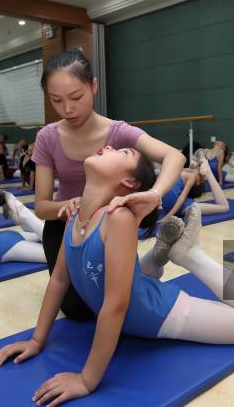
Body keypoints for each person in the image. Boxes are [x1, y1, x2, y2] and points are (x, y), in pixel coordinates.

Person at [0, 146, 234, 405]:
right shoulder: (76, 215)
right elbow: (58, 280)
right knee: (135, 278)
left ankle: (190, 256)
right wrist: (37, 340)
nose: (107, 146)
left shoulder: (118, 219)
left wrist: (87, 379)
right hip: (138, 299)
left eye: (123, 152)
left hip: (162, 313)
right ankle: (158, 257)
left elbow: (116, 306)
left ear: (129, 183)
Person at [32, 48, 186, 321]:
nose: (67, 109)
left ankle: (148, 265)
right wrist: (65, 206)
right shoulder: (47, 137)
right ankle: (148, 265)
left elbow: (175, 156)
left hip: (106, 229)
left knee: (116, 301)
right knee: (78, 312)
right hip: (65, 227)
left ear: (93, 86)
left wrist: (154, 194)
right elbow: (41, 206)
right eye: (56, 100)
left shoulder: (118, 132)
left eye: (76, 97)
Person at [161, 158, 229, 218]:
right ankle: (208, 171)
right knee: (224, 207)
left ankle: (209, 172)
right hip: (171, 206)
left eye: (198, 169)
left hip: (179, 207)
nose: (196, 168)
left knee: (224, 207)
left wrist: (168, 216)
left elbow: (181, 198)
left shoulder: (191, 176)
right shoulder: (183, 171)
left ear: (197, 181)